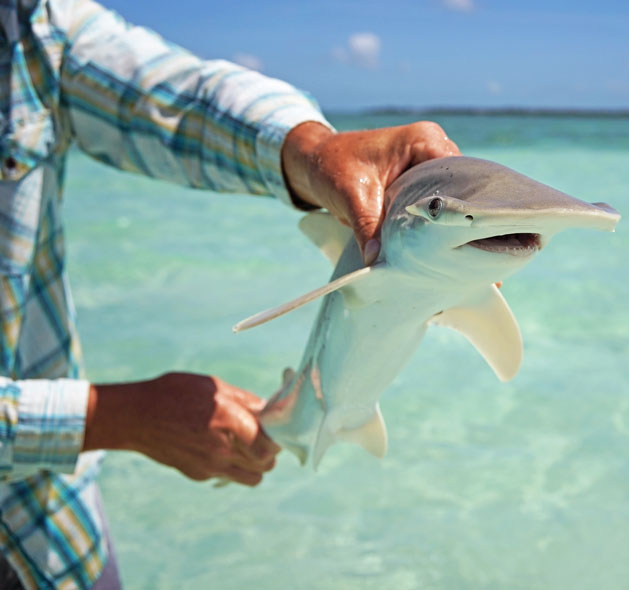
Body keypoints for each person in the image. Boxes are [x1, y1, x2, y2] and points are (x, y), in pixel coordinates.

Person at [0, 0, 460, 588]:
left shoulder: (33, 23)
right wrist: (118, 418)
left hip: (51, 529)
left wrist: (314, 154)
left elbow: (177, 100)